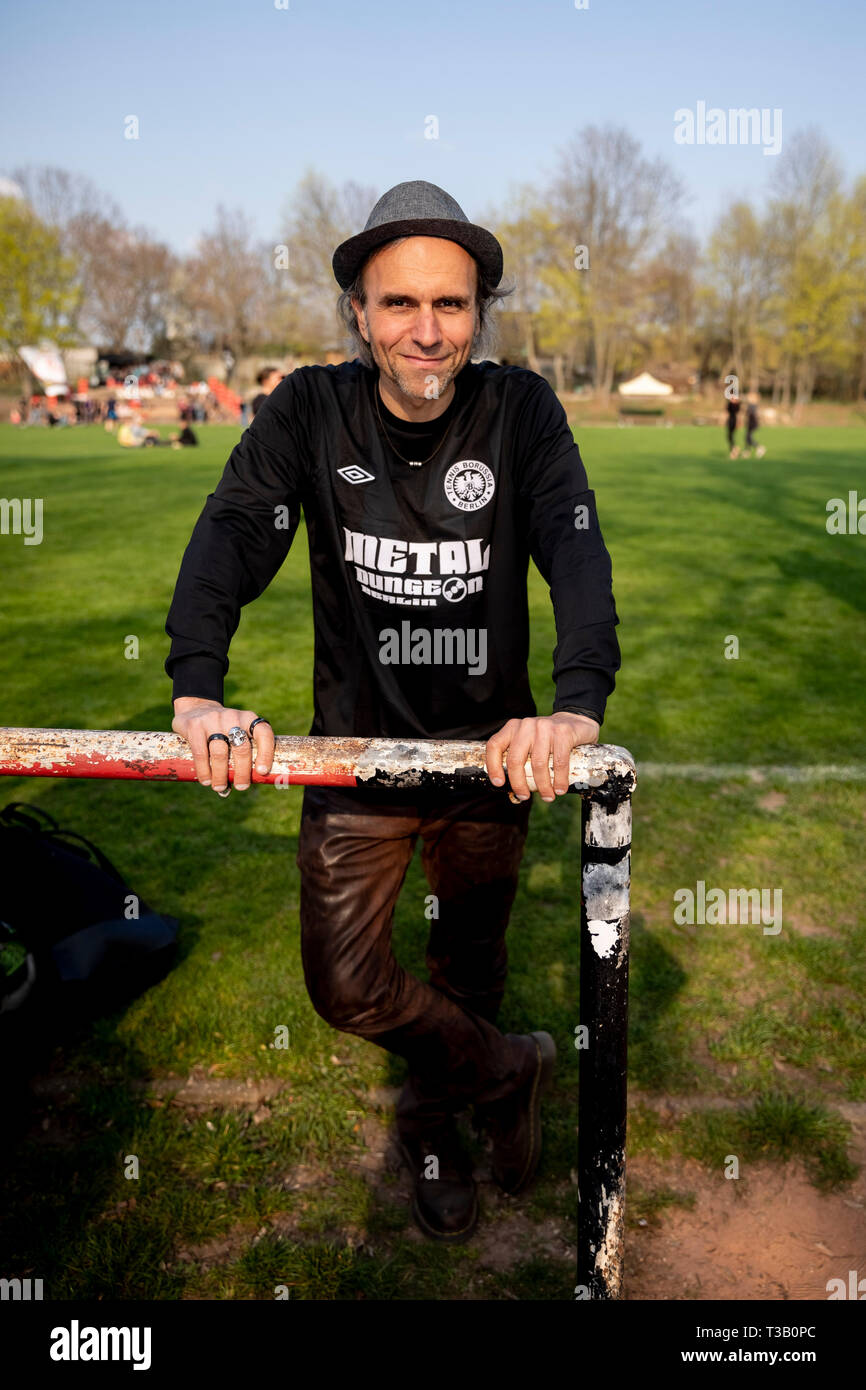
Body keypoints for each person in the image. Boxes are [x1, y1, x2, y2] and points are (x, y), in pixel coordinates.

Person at [164, 180, 621, 1245]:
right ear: (357, 315)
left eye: (450, 305)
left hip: (482, 761)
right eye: (399, 304)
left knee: (468, 969)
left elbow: (575, 544)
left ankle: (434, 1131)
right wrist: (195, 681)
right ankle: (512, 1070)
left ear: (480, 314)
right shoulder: (308, 411)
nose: (426, 330)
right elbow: (233, 528)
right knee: (347, 981)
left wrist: (575, 706)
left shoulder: (521, 411)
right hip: (355, 753)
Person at [743, 392, 765, 458]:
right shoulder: (751, 405)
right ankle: (747, 452)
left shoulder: (752, 405)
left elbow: (752, 414)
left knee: (748, 437)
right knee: (747, 437)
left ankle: (759, 447)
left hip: (752, 423)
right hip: (751, 423)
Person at [726, 389, 741, 457]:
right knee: (729, 436)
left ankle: (734, 450)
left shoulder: (737, 404)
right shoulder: (729, 403)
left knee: (731, 435)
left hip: (734, 420)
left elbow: (738, 414)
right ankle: (734, 449)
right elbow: (727, 412)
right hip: (730, 419)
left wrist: (738, 422)